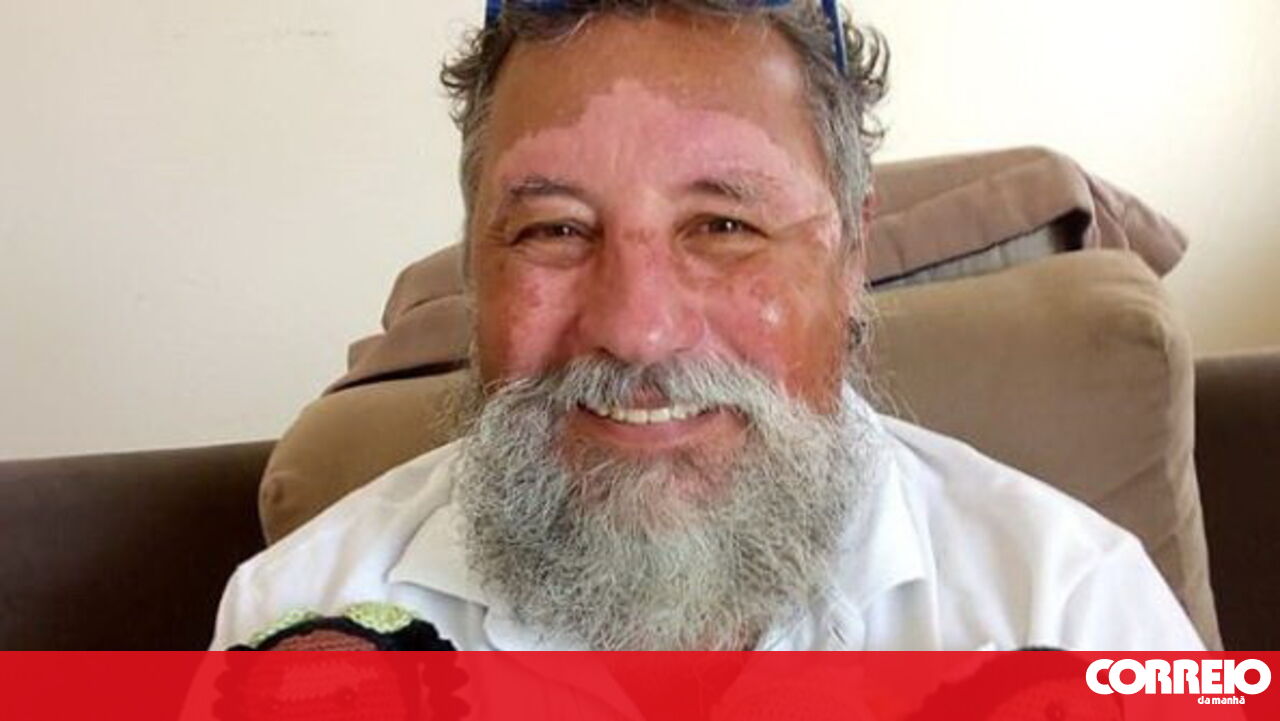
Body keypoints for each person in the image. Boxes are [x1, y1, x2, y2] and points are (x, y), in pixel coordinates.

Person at [210, 0, 1203, 653]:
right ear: (477, 260)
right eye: (554, 230)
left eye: (724, 226)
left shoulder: (1073, 608)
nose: (637, 330)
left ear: (850, 254)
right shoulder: (294, 616)